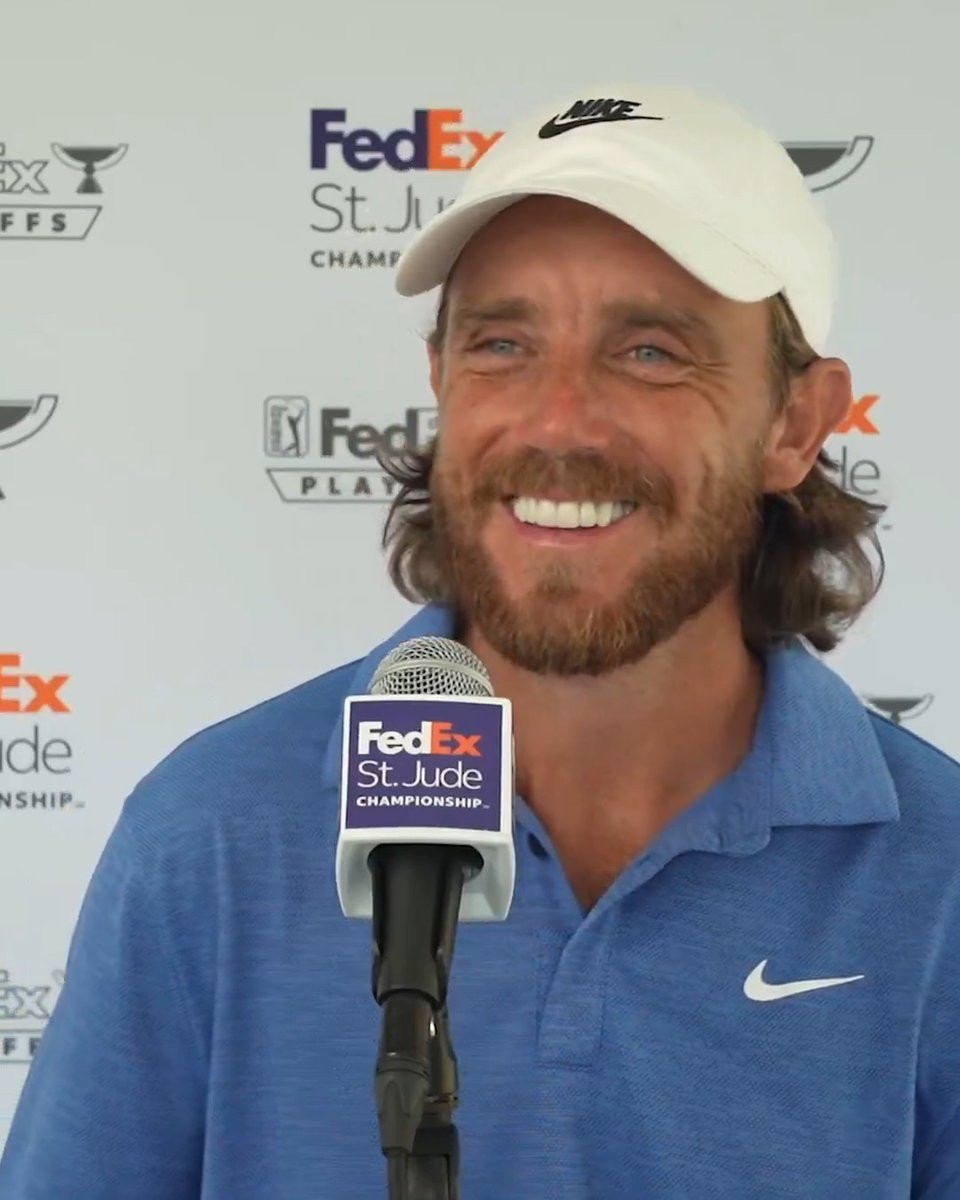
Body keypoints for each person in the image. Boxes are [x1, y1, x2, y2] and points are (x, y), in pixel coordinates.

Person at [1, 84, 958, 1200]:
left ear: (794, 424)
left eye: (651, 352)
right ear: (442, 385)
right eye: (502, 344)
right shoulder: (207, 839)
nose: (558, 420)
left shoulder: (939, 877)